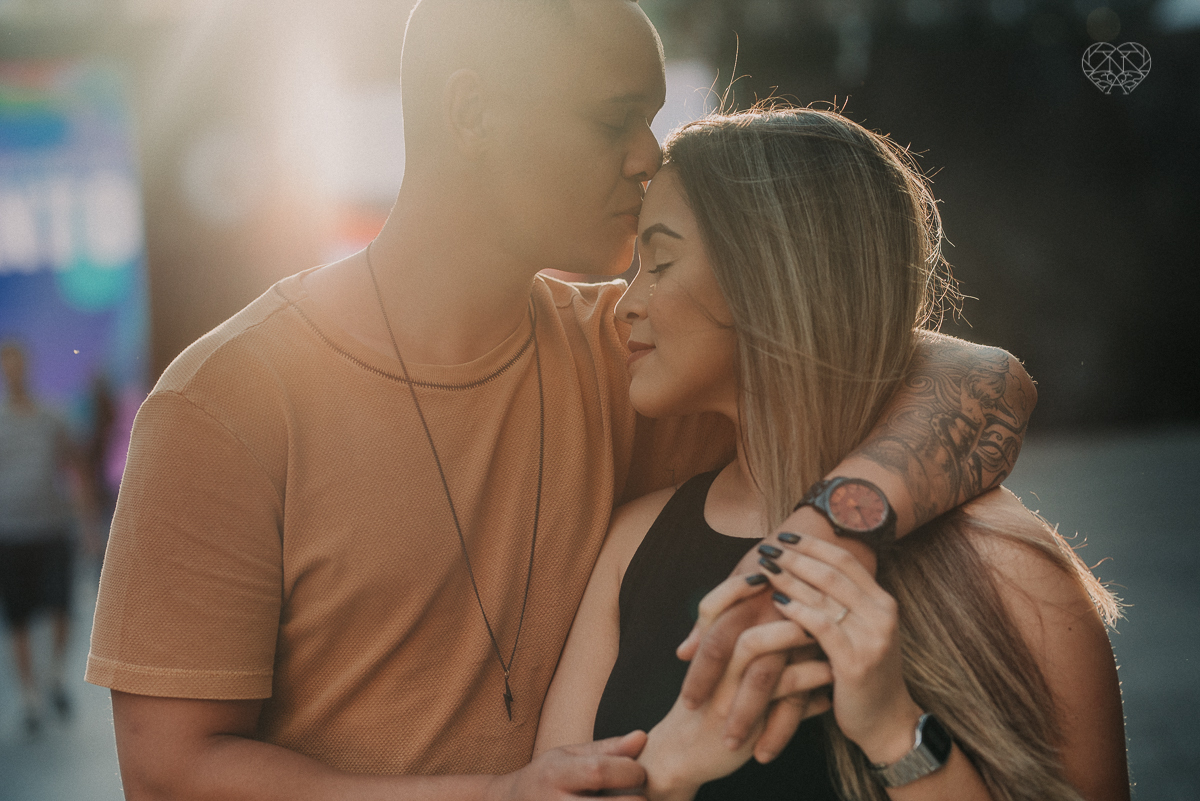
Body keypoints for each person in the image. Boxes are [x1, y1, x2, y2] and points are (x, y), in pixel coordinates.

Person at [87, 2, 1037, 799]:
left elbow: (978, 379)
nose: (647, 156)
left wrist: (838, 525)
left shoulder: (629, 347)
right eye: (613, 117)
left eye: (653, 118)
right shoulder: (226, 404)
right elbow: (170, 772)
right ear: (472, 113)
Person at [534, 107, 1127, 800]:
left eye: (660, 261)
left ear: (774, 279)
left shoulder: (1014, 573)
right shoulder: (634, 546)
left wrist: (896, 734)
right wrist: (671, 764)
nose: (624, 305)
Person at [0, 341, 88, 734]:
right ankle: (31, 697)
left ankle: (54, 676)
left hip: (52, 526)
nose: (14, 370)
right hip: (11, 531)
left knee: (60, 608)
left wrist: (87, 522)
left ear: (28, 366)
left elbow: (73, 464)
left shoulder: (51, 415)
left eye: (19, 362)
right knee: (17, 617)